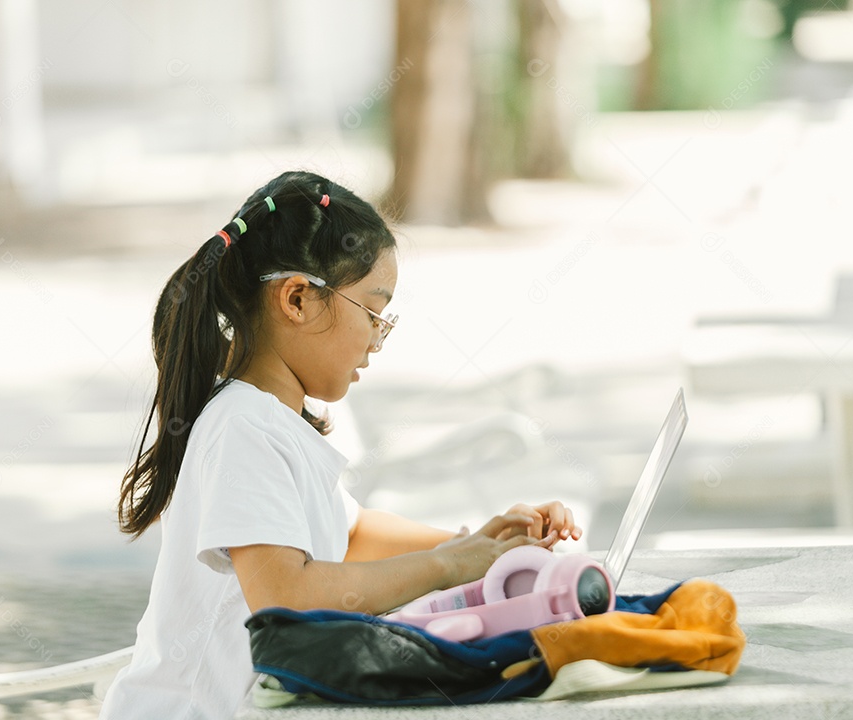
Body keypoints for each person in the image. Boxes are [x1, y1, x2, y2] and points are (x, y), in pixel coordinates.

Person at [98, 170, 583, 719]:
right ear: (299, 299)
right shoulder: (243, 428)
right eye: (375, 313)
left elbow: (349, 532)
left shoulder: (274, 422)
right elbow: (286, 597)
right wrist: (451, 567)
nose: (379, 338)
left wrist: (477, 544)